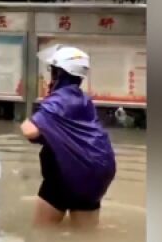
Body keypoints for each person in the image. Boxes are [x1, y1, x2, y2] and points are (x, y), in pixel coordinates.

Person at [20, 46, 116, 228]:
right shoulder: (84, 100)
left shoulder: (60, 98)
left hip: (66, 173)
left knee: (42, 235)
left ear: (59, 72)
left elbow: (30, 131)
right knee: (86, 240)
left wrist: (26, 120)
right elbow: (69, 133)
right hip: (97, 173)